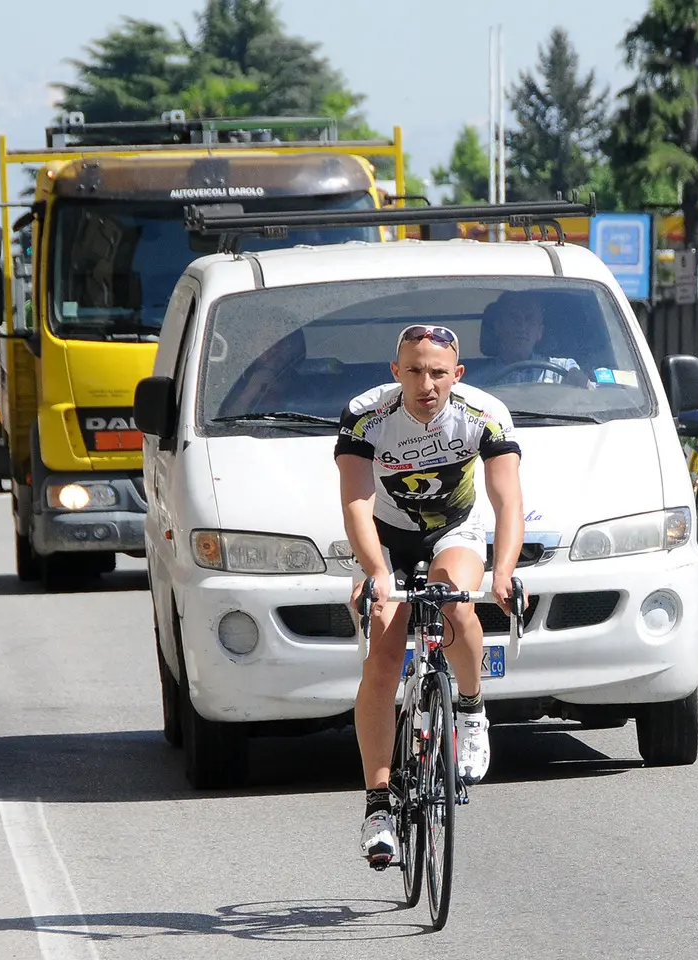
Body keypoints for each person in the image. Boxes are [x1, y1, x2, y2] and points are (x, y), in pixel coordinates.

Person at [335, 322, 524, 865]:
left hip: (454, 530)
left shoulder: (483, 413)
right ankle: (377, 805)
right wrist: (377, 572)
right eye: (414, 371)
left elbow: (507, 501)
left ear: (456, 375)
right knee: (385, 650)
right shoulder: (367, 413)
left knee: (454, 602)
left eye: (438, 372)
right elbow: (355, 501)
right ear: (396, 372)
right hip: (383, 536)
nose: (426, 383)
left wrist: (504, 572)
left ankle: (469, 709)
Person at [475, 291, 587, 385]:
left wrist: (580, 382)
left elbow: (591, 396)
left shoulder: (562, 370)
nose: (522, 326)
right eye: (514, 318)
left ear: (540, 332)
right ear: (498, 327)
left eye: (529, 319)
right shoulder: (478, 382)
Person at [218, 328, 306, 417]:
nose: (275, 349)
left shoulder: (304, 390)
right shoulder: (229, 383)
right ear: (249, 347)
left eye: (283, 343)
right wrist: (249, 393)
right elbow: (223, 424)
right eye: (268, 340)